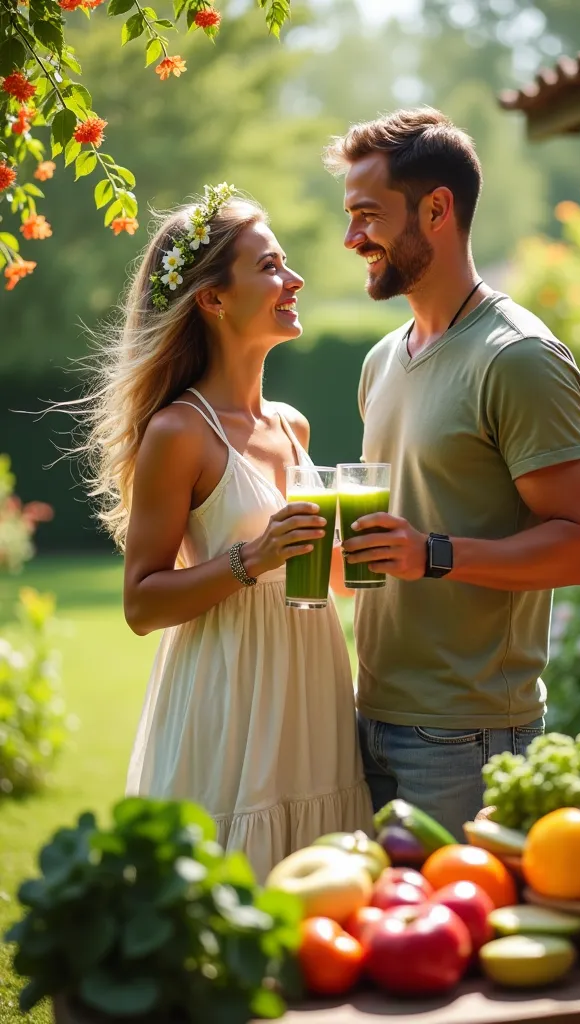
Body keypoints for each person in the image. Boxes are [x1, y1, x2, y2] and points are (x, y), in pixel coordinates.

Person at [323, 109, 580, 839]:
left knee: (463, 952)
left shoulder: (518, 358)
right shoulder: (381, 359)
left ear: (438, 209)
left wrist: (434, 554)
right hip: (373, 717)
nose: (353, 238)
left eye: (367, 216)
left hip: (469, 742)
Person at [84, 183, 372, 881]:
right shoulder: (179, 432)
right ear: (211, 299)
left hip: (311, 688)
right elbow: (142, 603)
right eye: (270, 267)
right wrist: (252, 557)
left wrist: (362, 551)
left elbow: (333, 581)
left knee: (322, 891)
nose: (294, 278)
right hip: (228, 692)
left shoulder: (291, 425)